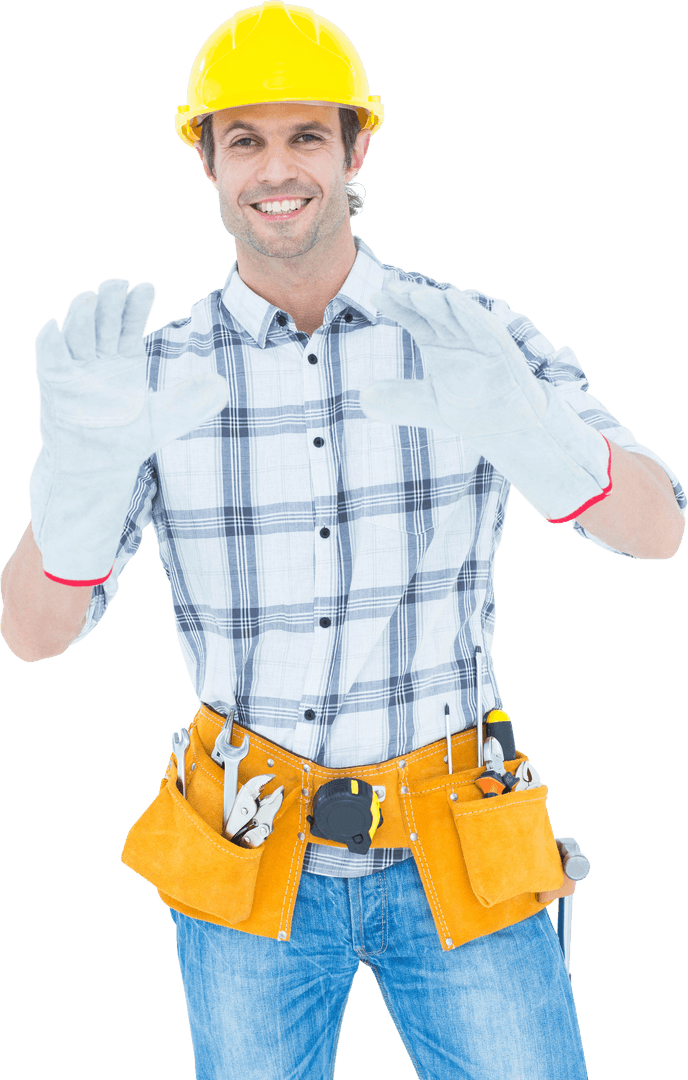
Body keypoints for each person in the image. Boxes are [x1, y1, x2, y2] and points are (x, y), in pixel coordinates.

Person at [0, 2, 684, 1078]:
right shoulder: (151, 383)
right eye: (246, 141)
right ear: (207, 161)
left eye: (306, 135)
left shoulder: (469, 340)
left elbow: (655, 530)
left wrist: (530, 430)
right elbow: (34, 636)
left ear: (356, 145)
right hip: (245, 845)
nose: (279, 169)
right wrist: (79, 474)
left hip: (461, 833)